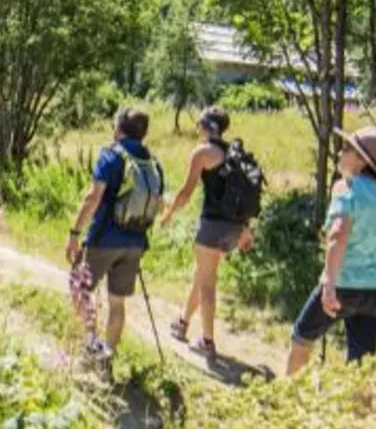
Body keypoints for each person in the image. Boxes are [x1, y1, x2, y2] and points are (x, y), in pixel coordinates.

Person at [288, 125, 376, 375]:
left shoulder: (346, 187)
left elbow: (338, 235)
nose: (340, 153)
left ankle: (285, 402)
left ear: (362, 160)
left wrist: (329, 283)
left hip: (344, 282)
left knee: (301, 338)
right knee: (361, 365)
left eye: (347, 148)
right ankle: (360, 412)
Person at [66, 106, 164, 364]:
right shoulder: (152, 162)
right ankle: (107, 356)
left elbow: (93, 197)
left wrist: (75, 233)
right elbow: (159, 203)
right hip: (135, 241)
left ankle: (91, 342)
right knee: (117, 302)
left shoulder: (111, 155)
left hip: (105, 239)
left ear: (119, 128)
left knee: (80, 288)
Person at [162, 105, 258, 361]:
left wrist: (170, 212)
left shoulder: (203, 152)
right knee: (203, 274)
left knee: (207, 283)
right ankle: (182, 322)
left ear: (205, 126)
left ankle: (207, 341)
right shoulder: (234, 153)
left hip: (213, 225)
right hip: (235, 227)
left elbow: (186, 190)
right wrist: (246, 231)